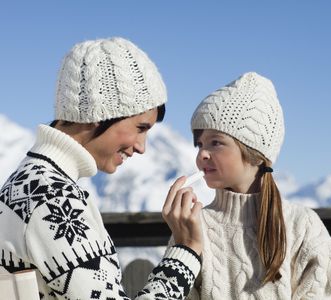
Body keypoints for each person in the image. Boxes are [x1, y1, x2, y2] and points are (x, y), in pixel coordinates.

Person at [0, 37, 203, 299]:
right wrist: (186, 251)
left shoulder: (26, 182)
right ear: (98, 112)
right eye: (140, 128)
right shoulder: (55, 202)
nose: (142, 147)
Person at [180, 72, 331, 299]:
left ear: (256, 155)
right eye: (199, 144)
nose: (202, 155)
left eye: (215, 142)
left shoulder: (302, 226)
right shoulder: (194, 226)